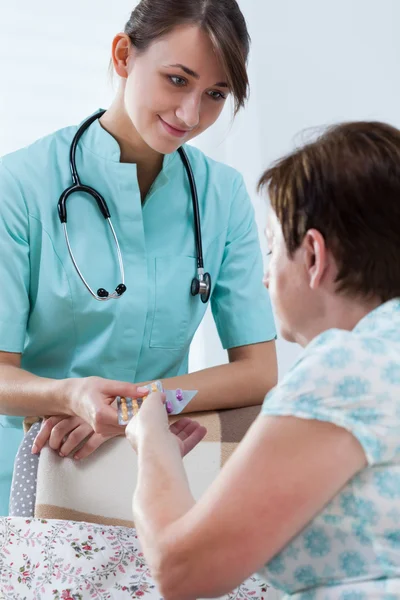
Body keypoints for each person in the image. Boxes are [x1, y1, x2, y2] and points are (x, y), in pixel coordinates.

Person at [0, 0, 278, 516]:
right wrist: (70, 395)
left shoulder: (221, 194)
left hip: (151, 469)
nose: (191, 115)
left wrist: (129, 407)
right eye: (177, 80)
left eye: (215, 94)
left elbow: (259, 372)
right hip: (31, 466)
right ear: (124, 55)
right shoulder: (18, 186)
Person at [127, 121, 400, 600]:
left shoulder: (345, 367)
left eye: (272, 247)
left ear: (313, 256)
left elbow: (181, 570)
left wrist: (152, 441)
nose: (265, 280)